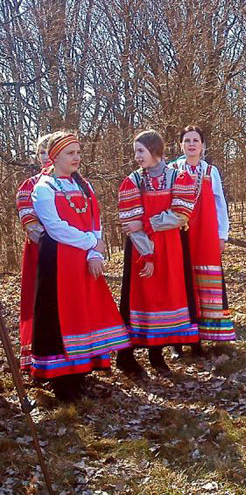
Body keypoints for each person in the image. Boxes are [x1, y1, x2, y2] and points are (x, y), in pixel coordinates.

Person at [29, 132, 131, 401]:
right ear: (55, 157)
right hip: (58, 261)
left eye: (77, 152)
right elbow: (55, 228)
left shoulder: (85, 185)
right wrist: (89, 243)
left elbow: (96, 220)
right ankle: (61, 380)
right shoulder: (43, 187)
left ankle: (81, 370)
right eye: (70, 153)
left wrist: (94, 252)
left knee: (83, 311)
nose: (76, 158)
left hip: (85, 260)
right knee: (60, 314)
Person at [117, 130, 199, 376]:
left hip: (172, 247)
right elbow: (129, 222)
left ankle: (158, 353)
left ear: (154, 151)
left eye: (140, 151)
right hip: (142, 249)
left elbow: (181, 215)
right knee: (144, 296)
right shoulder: (133, 181)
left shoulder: (179, 177)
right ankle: (132, 354)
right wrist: (147, 254)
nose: (137, 156)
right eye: (136, 151)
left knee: (168, 294)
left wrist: (146, 223)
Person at [170, 125, 236, 356]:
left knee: (204, 281)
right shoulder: (172, 169)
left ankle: (202, 335)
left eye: (195, 140)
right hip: (178, 233)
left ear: (203, 145)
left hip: (205, 233)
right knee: (181, 281)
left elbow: (220, 205)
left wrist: (222, 235)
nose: (191, 144)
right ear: (180, 145)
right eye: (187, 140)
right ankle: (178, 339)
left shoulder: (211, 171)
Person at [15, 133, 52, 372]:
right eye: (41, 152)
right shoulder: (28, 186)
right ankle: (39, 358)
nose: (45, 156)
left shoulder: (76, 182)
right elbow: (30, 223)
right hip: (41, 251)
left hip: (73, 251)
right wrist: (55, 241)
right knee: (39, 301)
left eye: (49, 150)